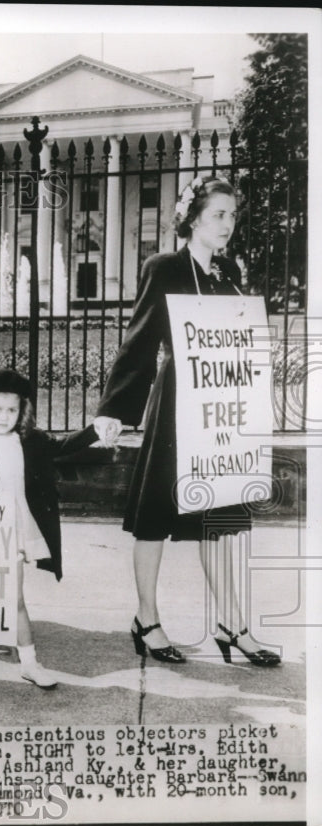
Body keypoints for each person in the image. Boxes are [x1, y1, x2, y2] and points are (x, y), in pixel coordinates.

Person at [94, 176, 280, 667]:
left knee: (218, 520)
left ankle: (231, 625)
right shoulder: (165, 267)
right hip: (177, 406)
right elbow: (139, 342)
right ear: (193, 216)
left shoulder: (227, 274)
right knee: (154, 518)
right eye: (219, 214)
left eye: (233, 216)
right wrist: (114, 409)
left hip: (218, 415)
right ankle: (147, 620)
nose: (228, 224)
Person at [0, 369, 105, 689]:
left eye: (12, 410)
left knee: (14, 598)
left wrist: (96, 429)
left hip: (10, 530)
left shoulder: (28, 439)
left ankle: (29, 663)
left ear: (22, 410)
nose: (4, 417)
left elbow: (64, 445)